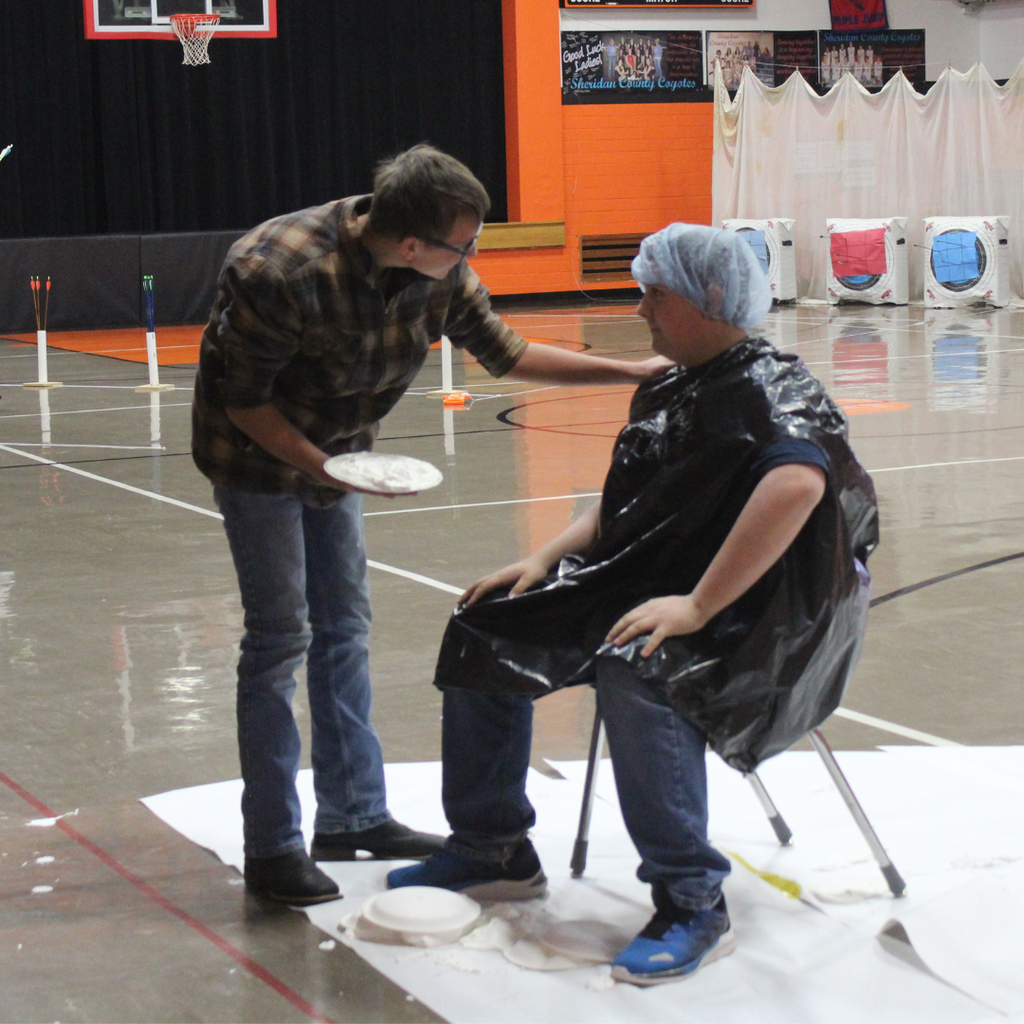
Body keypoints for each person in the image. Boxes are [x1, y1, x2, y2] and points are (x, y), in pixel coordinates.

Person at [387, 224, 877, 985]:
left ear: (710, 300)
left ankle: (690, 900)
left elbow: (796, 487)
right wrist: (544, 558)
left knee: (637, 664)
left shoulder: (775, 389)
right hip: (649, 582)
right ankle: (493, 846)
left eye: (654, 295)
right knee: (487, 622)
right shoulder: (670, 381)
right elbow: (630, 504)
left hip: (757, 614)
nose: (640, 309)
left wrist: (697, 606)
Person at [191, 144, 668, 906]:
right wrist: (324, 468)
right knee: (281, 638)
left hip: (338, 455)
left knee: (346, 626)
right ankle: (273, 846)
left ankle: (353, 816)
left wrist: (627, 372)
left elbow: (507, 355)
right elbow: (245, 402)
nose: (472, 256)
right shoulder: (278, 269)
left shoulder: (438, 274)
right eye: (464, 245)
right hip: (256, 457)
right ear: (412, 242)